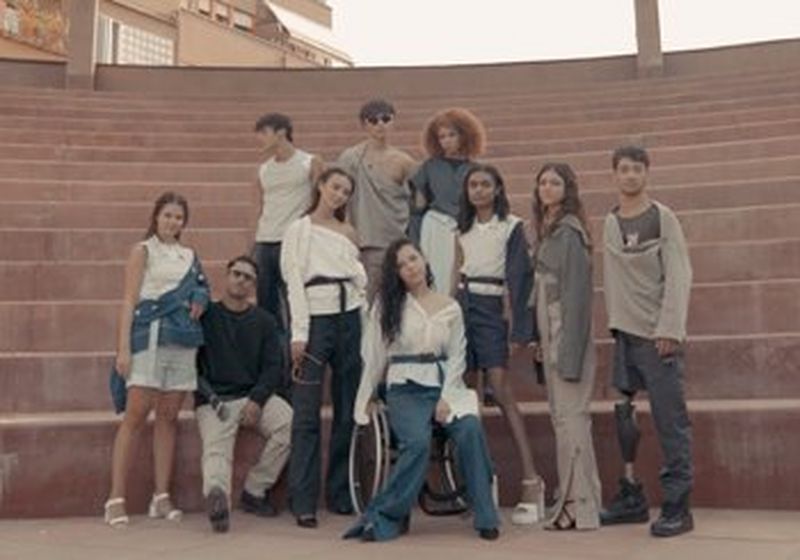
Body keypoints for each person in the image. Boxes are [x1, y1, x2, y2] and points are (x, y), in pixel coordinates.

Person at [345, 239, 500, 542]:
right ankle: (385, 515)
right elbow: (374, 356)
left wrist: (446, 395)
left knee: (469, 429)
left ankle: (486, 517)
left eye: (413, 259)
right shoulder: (387, 307)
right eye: (401, 265)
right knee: (416, 442)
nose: (409, 267)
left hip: (445, 386)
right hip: (405, 388)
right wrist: (368, 397)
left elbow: (458, 355)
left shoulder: (450, 306)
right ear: (397, 274)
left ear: (425, 260)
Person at [600, 145, 694, 537]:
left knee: (670, 420)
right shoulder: (609, 221)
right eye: (623, 169)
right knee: (624, 415)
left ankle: (678, 506)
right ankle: (632, 497)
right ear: (614, 175)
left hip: (658, 336)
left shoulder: (663, 217)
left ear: (647, 174)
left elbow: (679, 272)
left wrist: (670, 328)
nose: (630, 176)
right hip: (624, 332)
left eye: (637, 169)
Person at [105, 192, 209, 527]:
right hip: (149, 337)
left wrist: (199, 295)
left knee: (168, 418)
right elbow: (129, 299)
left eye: (179, 217)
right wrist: (123, 347)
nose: (173, 222)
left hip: (182, 342)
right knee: (135, 417)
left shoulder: (190, 256)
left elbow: (200, 288)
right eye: (168, 215)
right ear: (156, 217)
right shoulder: (143, 250)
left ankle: (161, 497)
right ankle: (115, 498)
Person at [454, 163, 544, 525]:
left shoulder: (512, 226)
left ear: (498, 189)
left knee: (501, 389)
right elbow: (452, 276)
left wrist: (520, 331)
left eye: (484, 184)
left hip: (492, 308)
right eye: (472, 185)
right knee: (469, 398)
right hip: (464, 305)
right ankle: (480, 484)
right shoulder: (459, 228)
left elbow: (520, 281)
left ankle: (531, 480)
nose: (477, 190)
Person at [280, 167, 366, 528]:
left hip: (350, 318)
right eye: (335, 187)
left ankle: (341, 491)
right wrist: (298, 332)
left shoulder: (348, 231)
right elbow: (293, 280)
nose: (340, 195)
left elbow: (358, 277)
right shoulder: (298, 229)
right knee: (306, 413)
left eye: (346, 191)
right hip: (315, 321)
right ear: (320, 187)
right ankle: (303, 499)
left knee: (349, 408)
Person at [195, 255, 293, 533]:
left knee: (290, 424)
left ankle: (255, 489)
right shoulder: (206, 316)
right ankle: (217, 499)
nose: (241, 280)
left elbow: (273, 366)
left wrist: (258, 399)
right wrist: (211, 398)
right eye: (237, 273)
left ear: (254, 286)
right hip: (215, 401)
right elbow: (193, 367)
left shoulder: (264, 321)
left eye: (248, 277)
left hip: (252, 395)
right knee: (216, 449)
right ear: (226, 276)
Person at [530, 162, 602, 530]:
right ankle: (572, 500)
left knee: (572, 418)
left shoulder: (571, 232)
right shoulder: (548, 230)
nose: (547, 187)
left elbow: (576, 297)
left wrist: (566, 351)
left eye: (555, 182)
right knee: (562, 418)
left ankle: (579, 504)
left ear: (567, 189)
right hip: (550, 327)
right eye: (542, 182)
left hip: (566, 329)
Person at [337, 98, 417, 302]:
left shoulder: (404, 162)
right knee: (369, 302)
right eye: (373, 120)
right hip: (365, 240)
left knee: (397, 301)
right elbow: (339, 197)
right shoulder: (351, 158)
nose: (380, 124)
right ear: (364, 125)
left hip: (396, 239)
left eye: (385, 119)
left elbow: (417, 202)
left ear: (393, 122)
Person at [252, 112, 325, 331]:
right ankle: (272, 357)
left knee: (295, 302)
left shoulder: (310, 162)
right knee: (266, 305)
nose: (260, 139)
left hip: (294, 241)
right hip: (265, 241)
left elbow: (319, 201)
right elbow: (257, 207)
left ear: (281, 132)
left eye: (264, 133)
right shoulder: (263, 170)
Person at [410, 108, 486, 293]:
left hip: (465, 227)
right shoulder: (429, 167)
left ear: (465, 135)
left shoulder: (476, 169)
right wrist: (415, 240)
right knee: (435, 278)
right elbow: (417, 208)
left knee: (460, 280)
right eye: (442, 136)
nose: (446, 141)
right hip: (435, 227)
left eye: (452, 135)